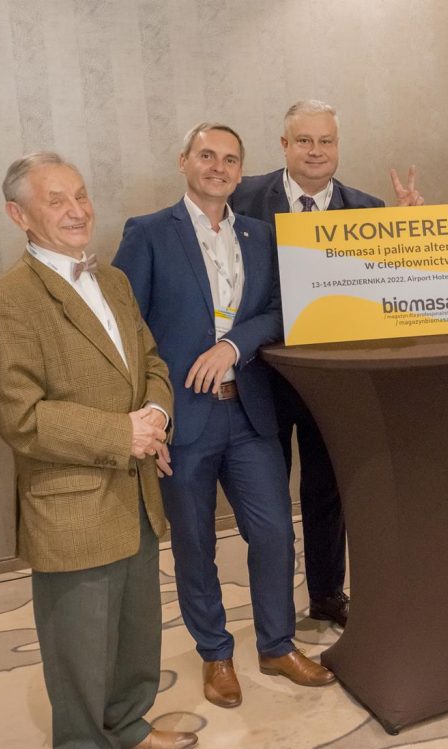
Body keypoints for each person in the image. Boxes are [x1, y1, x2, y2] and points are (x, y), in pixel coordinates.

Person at [0, 153, 196, 749]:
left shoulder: (115, 281)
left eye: (81, 195)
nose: (77, 211)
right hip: (70, 502)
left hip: (134, 489)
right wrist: (119, 434)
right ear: (19, 215)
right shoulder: (8, 300)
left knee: (135, 629)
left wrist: (156, 415)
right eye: (56, 201)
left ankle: (126, 724)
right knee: (78, 643)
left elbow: (152, 362)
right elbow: (20, 415)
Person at [113, 122, 335, 711]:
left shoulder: (262, 235)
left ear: (241, 170)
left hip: (249, 411)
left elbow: (283, 310)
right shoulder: (148, 233)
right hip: (182, 420)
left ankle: (277, 645)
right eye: (207, 156)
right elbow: (125, 331)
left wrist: (233, 345)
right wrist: (147, 417)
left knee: (274, 532)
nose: (219, 167)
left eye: (230, 159)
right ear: (184, 161)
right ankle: (215, 653)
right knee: (195, 542)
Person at [229, 100, 423, 628]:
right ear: (284, 145)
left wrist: (408, 230)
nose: (316, 151)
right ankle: (273, 610)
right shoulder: (242, 199)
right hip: (262, 374)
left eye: (326, 141)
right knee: (268, 504)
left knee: (326, 492)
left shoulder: (369, 210)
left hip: (334, 380)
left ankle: (327, 594)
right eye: (304, 141)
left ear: (338, 146)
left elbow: (393, 290)